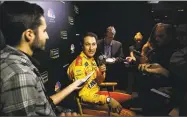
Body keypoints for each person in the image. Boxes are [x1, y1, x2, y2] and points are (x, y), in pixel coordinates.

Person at [0, 1, 86, 116]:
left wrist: (72, 86)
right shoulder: (20, 75)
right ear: (29, 34)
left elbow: (42, 106)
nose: (47, 36)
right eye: (44, 31)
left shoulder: (12, 60)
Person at [67, 32, 135, 116]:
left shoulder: (90, 59)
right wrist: (107, 100)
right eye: (87, 44)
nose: (91, 48)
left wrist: (101, 72)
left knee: (130, 99)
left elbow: (98, 82)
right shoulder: (79, 65)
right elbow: (83, 96)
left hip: (97, 95)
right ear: (82, 46)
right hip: (87, 103)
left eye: (93, 44)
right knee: (129, 114)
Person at [137, 23, 178, 115]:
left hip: (165, 100)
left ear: (170, 36)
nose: (156, 39)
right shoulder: (155, 50)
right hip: (150, 96)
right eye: (156, 36)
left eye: (161, 36)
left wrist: (162, 71)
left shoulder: (176, 53)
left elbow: (177, 80)